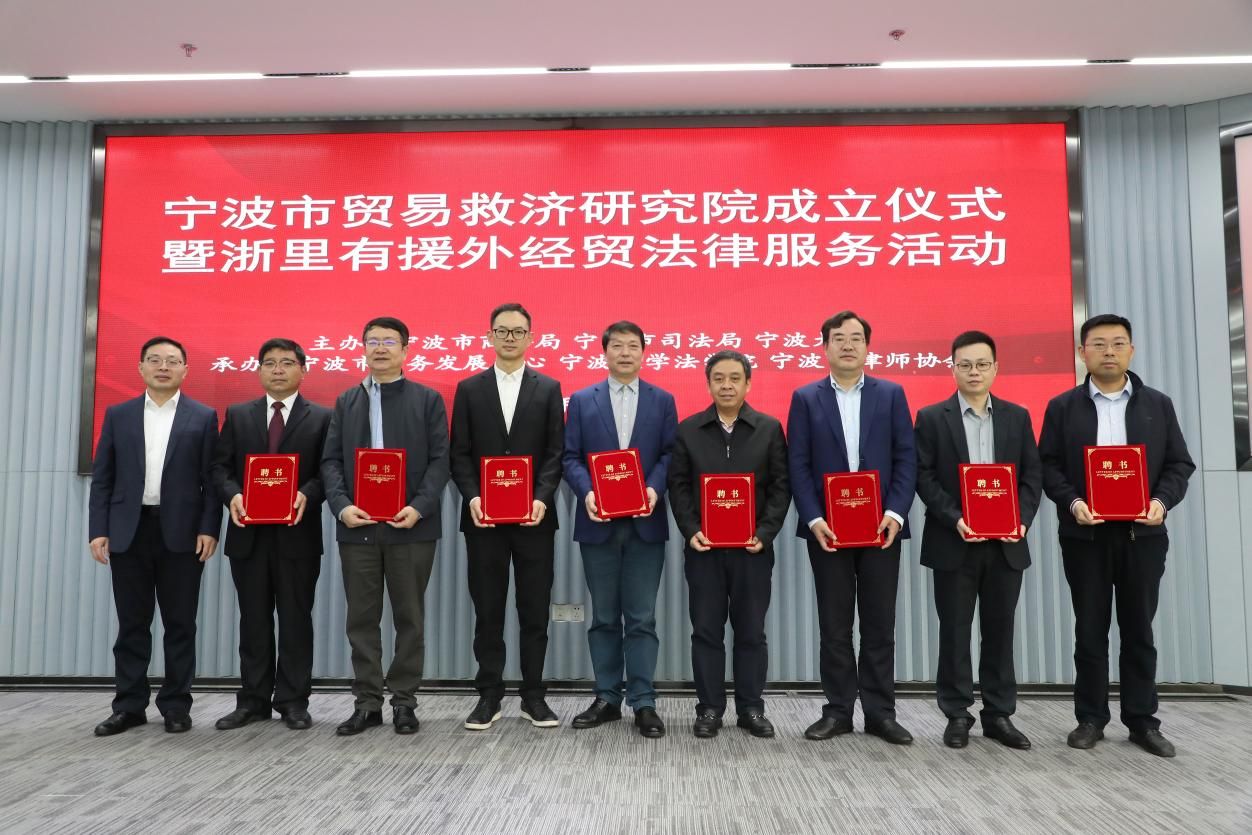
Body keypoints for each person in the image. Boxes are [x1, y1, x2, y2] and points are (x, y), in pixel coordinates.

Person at [1038, 313, 1195, 758]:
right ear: (1082, 352)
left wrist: (1161, 501)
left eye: (1118, 343)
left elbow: (1179, 464)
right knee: (1089, 630)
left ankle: (1142, 721)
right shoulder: (1062, 407)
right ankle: (1090, 718)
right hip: (1085, 537)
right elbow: (1047, 465)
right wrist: (1073, 502)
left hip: (1142, 536)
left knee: (1138, 629)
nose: (1109, 351)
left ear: (1131, 350)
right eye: (1099, 344)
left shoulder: (1157, 404)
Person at [786, 310, 917, 745]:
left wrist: (896, 513)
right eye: (838, 338)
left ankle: (880, 713)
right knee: (835, 625)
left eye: (856, 337)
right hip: (828, 531)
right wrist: (814, 518)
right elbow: (798, 464)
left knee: (879, 624)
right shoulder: (806, 398)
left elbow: (906, 457)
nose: (847, 344)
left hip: (882, 529)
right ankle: (838, 711)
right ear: (825, 347)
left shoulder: (891, 394)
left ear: (867, 346)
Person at [321, 316, 450, 736]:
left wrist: (419, 507)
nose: (380, 348)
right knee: (361, 619)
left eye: (389, 341)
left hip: (411, 526)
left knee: (409, 618)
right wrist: (342, 507)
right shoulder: (347, 401)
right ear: (362, 348)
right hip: (357, 527)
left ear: (405, 350)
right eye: (372, 341)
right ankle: (367, 703)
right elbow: (331, 461)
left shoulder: (427, 400)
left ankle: (405, 702)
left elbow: (440, 461)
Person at [914, 330, 1042, 750]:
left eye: (982, 364)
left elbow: (1032, 476)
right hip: (954, 542)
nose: (974, 372)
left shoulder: (1017, 417)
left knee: (999, 630)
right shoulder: (932, 418)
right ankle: (957, 714)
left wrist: (1021, 521)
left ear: (995, 368)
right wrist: (955, 518)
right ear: (952, 369)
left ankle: (998, 714)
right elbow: (924, 477)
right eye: (965, 365)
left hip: (1006, 545)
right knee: (954, 631)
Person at [88, 336, 221, 735]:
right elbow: (103, 478)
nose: (164, 366)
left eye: (172, 361)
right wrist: (99, 530)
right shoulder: (119, 414)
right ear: (141, 367)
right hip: (129, 530)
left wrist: (209, 528)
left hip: (182, 533)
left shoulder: (203, 416)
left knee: (180, 624)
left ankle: (176, 706)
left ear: (185, 370)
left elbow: (211, 481)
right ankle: (129, 706)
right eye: (155, 360)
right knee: (132, 624)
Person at [450, 303, 565, 731]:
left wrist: (542, 497)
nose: (510, 338)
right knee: (488, 611)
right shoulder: (469, 388)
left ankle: (534, 696)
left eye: (518, 331)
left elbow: (555, 452)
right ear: (490, 336)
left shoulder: (548, 388)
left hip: (535, 519)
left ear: (531, 337)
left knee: (534, 611)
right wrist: (472, 496)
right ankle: (489, 695)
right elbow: (460, 453)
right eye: (502, 331)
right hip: (484, 520)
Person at [562, 321, 678, 739]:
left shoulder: (662, 400)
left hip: (646, 524)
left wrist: (654, 488)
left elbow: (670, 454)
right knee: (605, 617)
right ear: (604, 352)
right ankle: (607, 697)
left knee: (642, 617)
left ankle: (644, 701)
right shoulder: (582, 400)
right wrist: (588, 493)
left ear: (644, 353)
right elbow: (570, 457)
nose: (625, 353)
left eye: (633, 346)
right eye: (617, 346)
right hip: (599, 524)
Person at [210, 338, 331, 731]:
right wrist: (233, 495)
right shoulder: (238, 414)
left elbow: (329, 471)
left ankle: (294, 701)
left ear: (303, 370)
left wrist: (307, 493)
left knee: (296, 619)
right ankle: (253, 701)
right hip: (248, 535)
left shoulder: (322, 417)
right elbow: (220, 468)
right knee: (253, 620)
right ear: (259, 370)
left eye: (287, 363)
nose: (278, 369)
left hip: (298, 535)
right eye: (270, 363)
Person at [667, 350, 789, 739]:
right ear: (708, 384)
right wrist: (690, 529)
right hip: (704, 550)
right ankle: (709, 709)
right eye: (718, 378)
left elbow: (781, 488)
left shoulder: (769, 429)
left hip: (752, 551)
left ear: (748, 383)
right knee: (706, 631)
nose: (727, 385)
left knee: (751, 632)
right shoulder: (689, 430)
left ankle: (751, 708)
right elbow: (678, 486)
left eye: (735, 378)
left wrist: (765, 533)